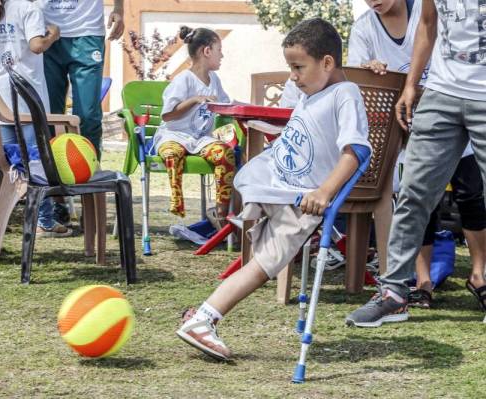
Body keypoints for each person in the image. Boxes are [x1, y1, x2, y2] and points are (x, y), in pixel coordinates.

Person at [176, 18, 371, 360]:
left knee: (261, 264)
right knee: (261, 263)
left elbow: (354, 152)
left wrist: (324, 192)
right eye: (290, 68)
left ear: (327, 62)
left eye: (298, 67)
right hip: (277, 186)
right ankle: (205, 317)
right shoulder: (313, 93)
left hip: (301, 198)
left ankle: (204, 315)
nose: (293, 76)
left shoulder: (344, 93)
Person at [347, 0, 486, 327]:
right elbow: (427, 24)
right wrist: (410, 85)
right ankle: (394, 293)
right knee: (413, 193)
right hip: (440, 93)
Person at [0, 0, 69, 238]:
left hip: (1, 94)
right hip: (26, 97)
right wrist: (53, 36)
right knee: (36, 159)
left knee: (6, 161)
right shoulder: (29, 9)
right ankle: (44, 220)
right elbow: (36, 46)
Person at [39, 0, 124, 225]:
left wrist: (119, 9)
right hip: (47, 30)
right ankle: (56, 198)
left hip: (87, 31)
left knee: (87, 117)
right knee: (49, 117)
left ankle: (89, 192)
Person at [152, 26, 236, 224]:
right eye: (219, 50)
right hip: (174, 135)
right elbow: (168, 116)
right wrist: (194, 100)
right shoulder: (183, 80)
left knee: (225, 154)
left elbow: (225, 104)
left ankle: (222, 213)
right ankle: (177, 200)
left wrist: (242, 108)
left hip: (200, 140)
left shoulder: (214, 79)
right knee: (172, 153)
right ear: (206, 51)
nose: (222, 55)